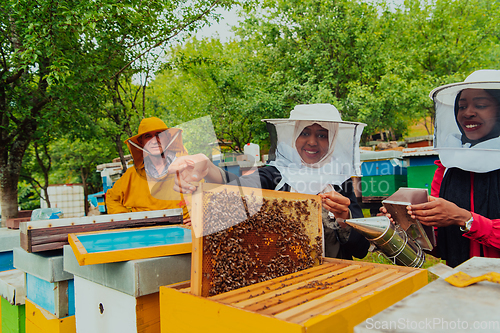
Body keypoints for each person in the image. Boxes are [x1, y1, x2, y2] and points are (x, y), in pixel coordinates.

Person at [169, 104, 370, 260]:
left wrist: (345, 219)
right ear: (293, 136)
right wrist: (208, 167)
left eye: (322, 135)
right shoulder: (277, 174)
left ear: (333, 140)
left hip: (334, 279)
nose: (311, 141)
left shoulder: (340, 183)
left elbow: (360, 250)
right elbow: (240, 186)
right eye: (305, 133)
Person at [396, 70, 500, 268]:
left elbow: (459, 217)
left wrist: (465, 218)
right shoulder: (448, 165)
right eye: (461, 106)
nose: (468, 112)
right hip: (460, 279)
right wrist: (411, 223)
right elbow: (438, 242)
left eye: (481, 105)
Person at [105, 117, 191, 222]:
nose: (155, 140)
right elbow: (112, 198)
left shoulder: (186, 168)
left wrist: (197, 218)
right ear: (141, 142)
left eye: (159, 134)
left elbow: (207, 196)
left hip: (183, 234)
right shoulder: (132, 175)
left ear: (168, 137)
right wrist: (129, 221)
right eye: (148, 136)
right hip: (146, 235)